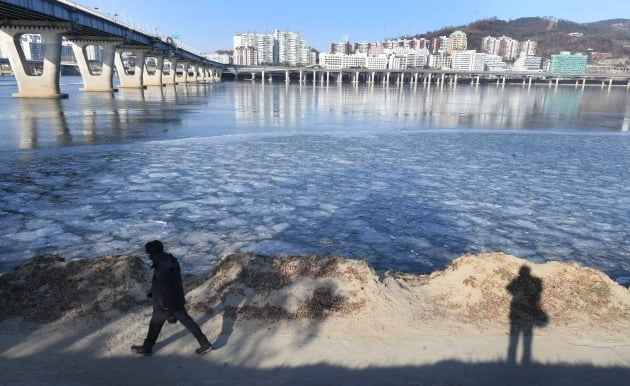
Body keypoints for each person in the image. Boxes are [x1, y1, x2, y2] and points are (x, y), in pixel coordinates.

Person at [131, 240, 213, 356]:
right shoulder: (168, 260)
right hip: (175, 300)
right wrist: (152, 292)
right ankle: (204, 343)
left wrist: (167, 310)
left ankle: (147, 347)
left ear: (153, 253)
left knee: (156, 324)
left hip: (167, 304)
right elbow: (167, 284)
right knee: (183, 322)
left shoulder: (162, 268)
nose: (148, 255)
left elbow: (165, 290)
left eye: (148, 253)